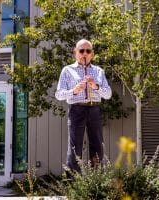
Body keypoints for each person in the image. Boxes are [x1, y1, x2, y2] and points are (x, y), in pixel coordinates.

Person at [55, 39, 112, 172]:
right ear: (75, 53)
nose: (84, 53)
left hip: (95, 109)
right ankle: (73, 184)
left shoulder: (98, 71)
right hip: (77, 109)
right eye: (81, 51)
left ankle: (95, 182)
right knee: (75, 147)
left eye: (88, 51)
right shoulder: (67, 70)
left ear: (92, 54)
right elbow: (59, 94)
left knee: (97, 145)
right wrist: (74, 91)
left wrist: (95, 86)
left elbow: (108, 94)